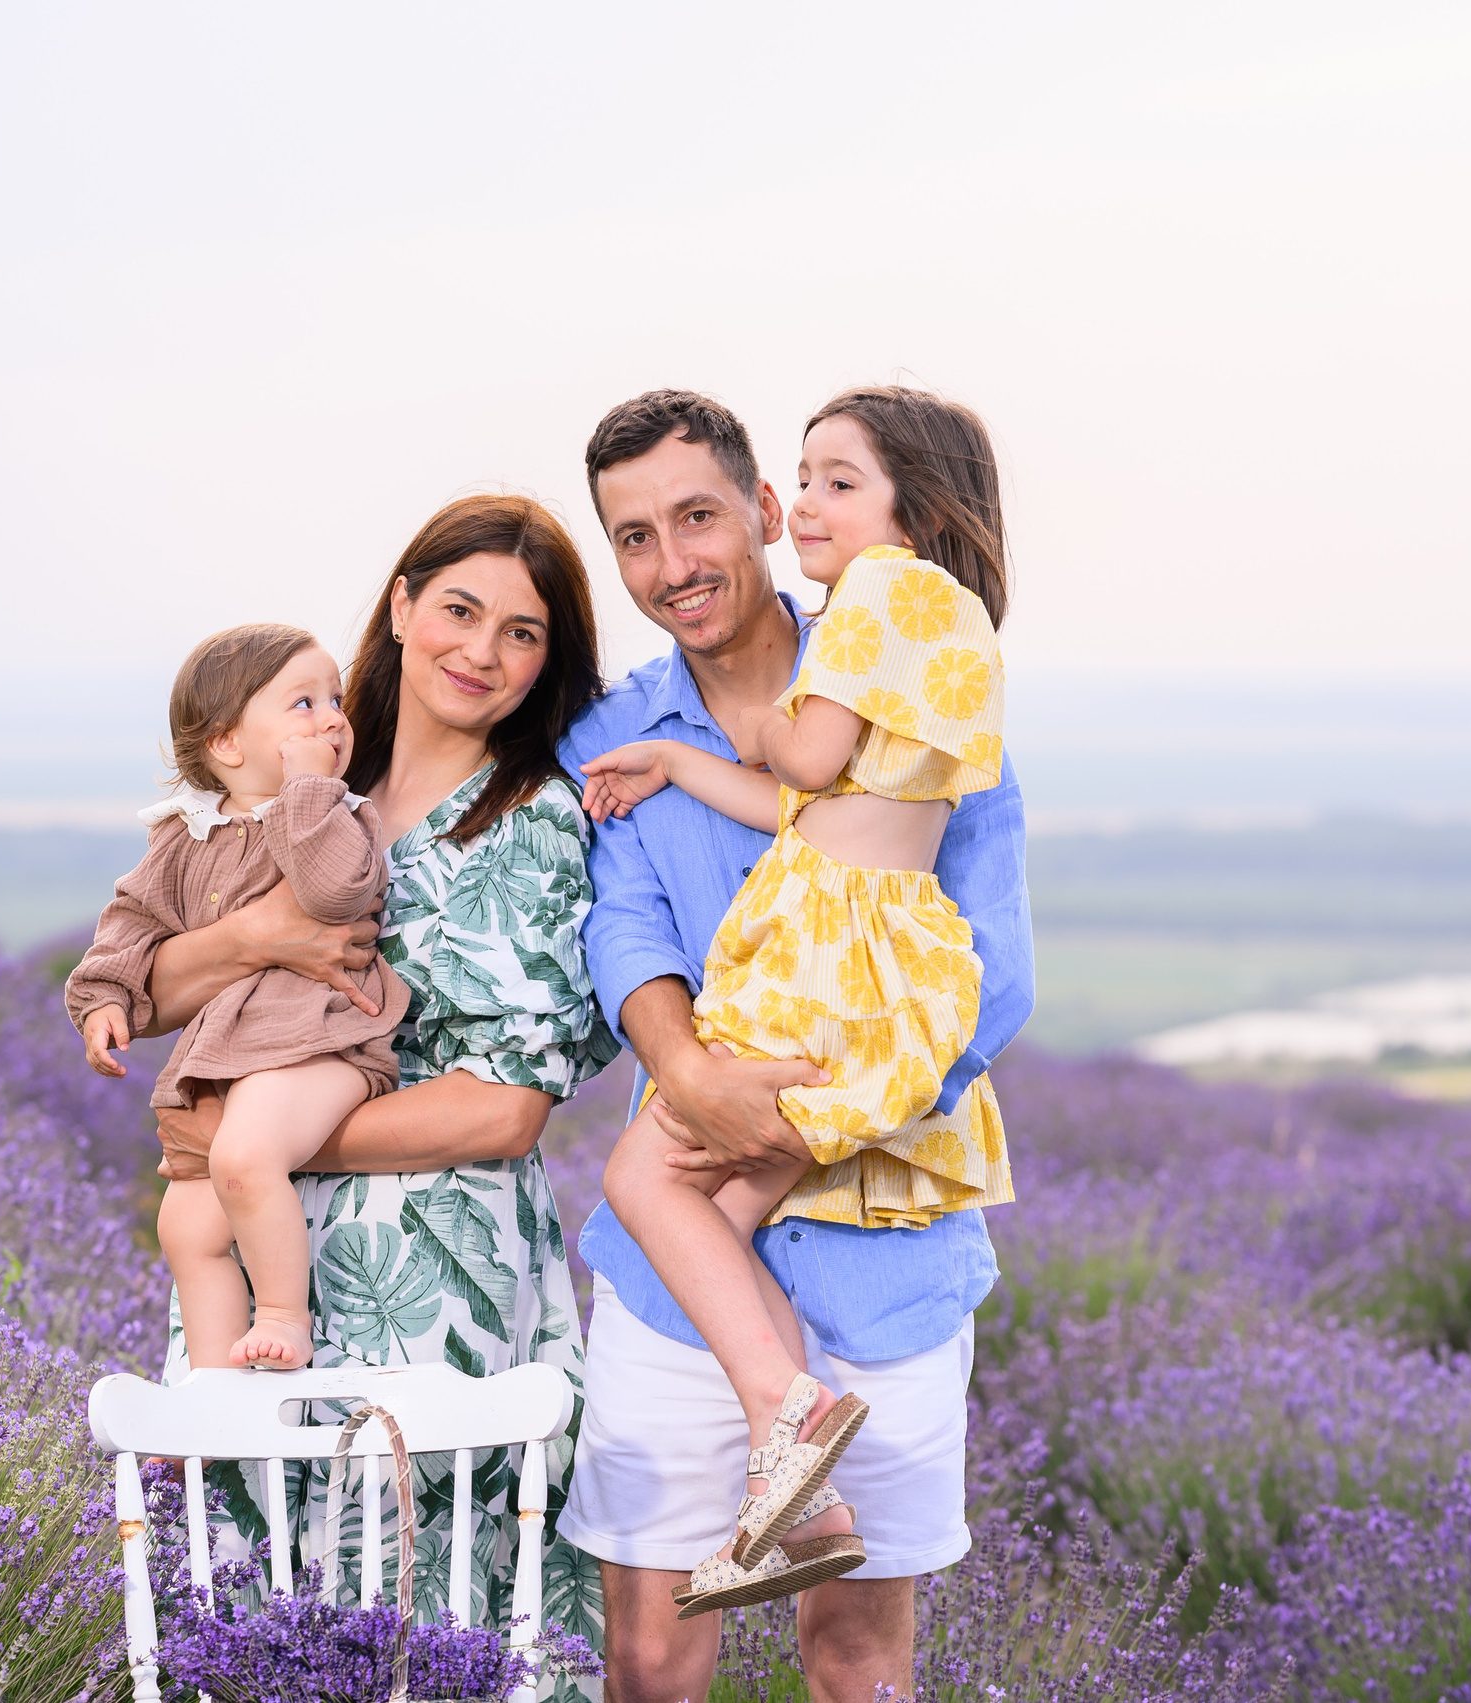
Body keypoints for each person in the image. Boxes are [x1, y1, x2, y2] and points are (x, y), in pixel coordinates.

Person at [557, 390, 1032, 1702]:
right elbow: (625, 936)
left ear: (764, 513)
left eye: (698, 516)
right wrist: (702, 1077)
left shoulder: (902, 659)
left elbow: (993, 974)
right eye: (635, 537)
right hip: (675, 1285)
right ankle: (789, 1426)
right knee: (650, 1654)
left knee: (862, 1655)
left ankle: (800, 1429)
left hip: (884, 1260)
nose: (673, 563)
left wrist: (814, 1109)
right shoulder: (610, 734)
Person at [129, 495, 622, 1699]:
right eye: (459, 609)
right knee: (251, 1601)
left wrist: (255, 1143)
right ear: (401, 606)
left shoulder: (532, 821)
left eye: (523, 633)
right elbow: (144, 983)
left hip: (432, 1269)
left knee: (416, 1621)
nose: (482, 650)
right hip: (262, 1268)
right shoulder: (286, 784)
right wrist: (261, 936)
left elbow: (503, 1109)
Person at [67, 623, 410, 1372]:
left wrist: (308, 789)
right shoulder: (186, 838)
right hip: (229, 1054)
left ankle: (286, 1319)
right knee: (186, 1225)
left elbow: (332, 890)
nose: (331, 719)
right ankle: (215, 1386)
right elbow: (132, 921)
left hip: (323, 1039)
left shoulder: (338, 814)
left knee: (247, 1157)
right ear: (227, 744)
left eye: (334, 699)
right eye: (302, 703)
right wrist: (103, 996)